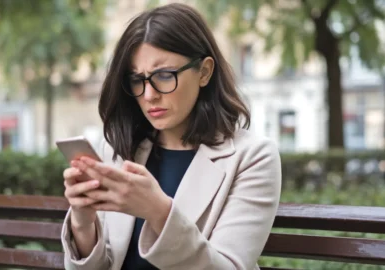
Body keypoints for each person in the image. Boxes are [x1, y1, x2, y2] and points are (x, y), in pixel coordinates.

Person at [61, 3, 281, 270]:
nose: (149, 94)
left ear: (204, 72)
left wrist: (159, 212)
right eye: (137, 79)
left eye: (164, 75)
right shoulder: (119, 147)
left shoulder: (253, 157)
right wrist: (83, 223)